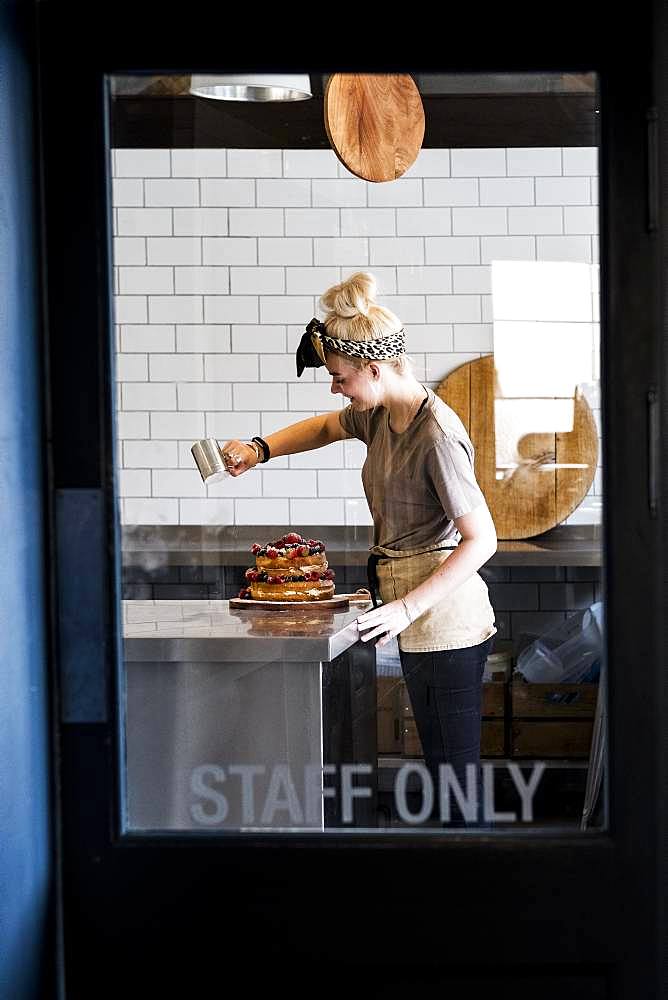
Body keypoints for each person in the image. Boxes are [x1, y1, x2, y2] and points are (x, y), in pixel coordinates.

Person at [219, 272, 498, 828]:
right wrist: (259, 449)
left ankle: (480, 895)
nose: (335, 388)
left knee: (457, 783)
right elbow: (325, 426)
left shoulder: (435, 433)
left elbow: (481, 538)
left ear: (375, 368)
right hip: (412, 608)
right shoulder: (379, 414)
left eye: (339, 377)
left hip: (445, 617)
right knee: (444, 774)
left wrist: (404, 608)